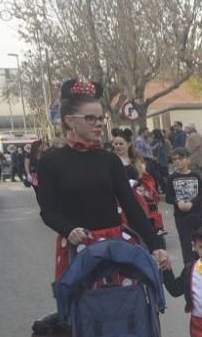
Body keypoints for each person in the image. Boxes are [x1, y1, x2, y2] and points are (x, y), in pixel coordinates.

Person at [36, 78, 169, 280]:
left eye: (101, 118)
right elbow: (48, 212)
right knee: (86, 308)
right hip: (78, 250)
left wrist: (155, 245)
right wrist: (68, 229)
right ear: (70, 120)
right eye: (90, 118)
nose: (98, 124)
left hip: (115, 246)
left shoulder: (109, 161)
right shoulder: (50, 162)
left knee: (124, 305)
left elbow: (131, 206)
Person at [166, 147, 202, 263]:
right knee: (186, 242)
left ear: (188, 160)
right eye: (175, 159)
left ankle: (200, 264)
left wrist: (192, 203)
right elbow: (168, 197)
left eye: (180, 158)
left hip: (196, 213)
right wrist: (178, 202)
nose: (177, 161)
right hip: (181, 216)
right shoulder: (172, 178)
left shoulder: (196, 176)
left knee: (199, 240)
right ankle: (188, 268)